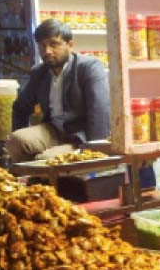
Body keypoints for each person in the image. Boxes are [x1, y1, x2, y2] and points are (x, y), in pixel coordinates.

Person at [7, 19, 110, 163]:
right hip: (53, 130)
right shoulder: (40, 72)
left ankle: (44, 179)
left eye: (54, 44)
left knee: (46, 159)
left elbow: (99, 111)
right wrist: (21, 135)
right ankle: (34, 179)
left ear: (70, 45)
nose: (47, 51)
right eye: (42, 46)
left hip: (79, 136)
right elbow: (20, 107)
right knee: (14, 141)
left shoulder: (89, 67)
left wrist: (95, 152)